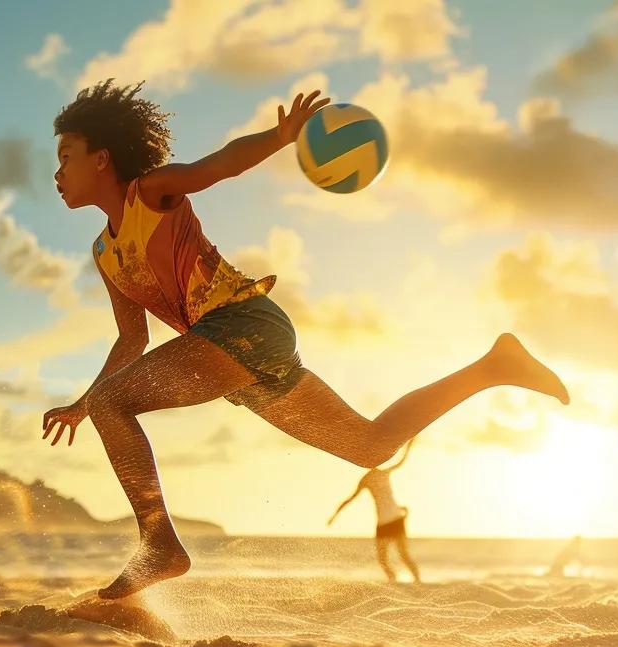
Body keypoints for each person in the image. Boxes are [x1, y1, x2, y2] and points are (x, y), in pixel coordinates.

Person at [41, 81, 571, 600]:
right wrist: (82, 405)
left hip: (241, 326)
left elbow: (218, 166)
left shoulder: (151, 193)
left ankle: (160, 546)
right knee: (371, 445)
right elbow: (130, 340)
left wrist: (280, 137)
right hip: (236, 355)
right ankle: (495, 367)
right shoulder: (104, 253)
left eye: (67, 156)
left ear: (103, 159)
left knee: (116, 400)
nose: (58, 172)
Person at [327, 437, 420, 582]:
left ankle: (417, 581)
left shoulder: (381, 473)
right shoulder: (368, 479)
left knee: (402, 554)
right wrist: (335, 515)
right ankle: (394, 579)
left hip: (394, 518)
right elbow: (350, 498)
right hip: (387, 521)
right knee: (384, 558)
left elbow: (402, 460)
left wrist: (411, 443)